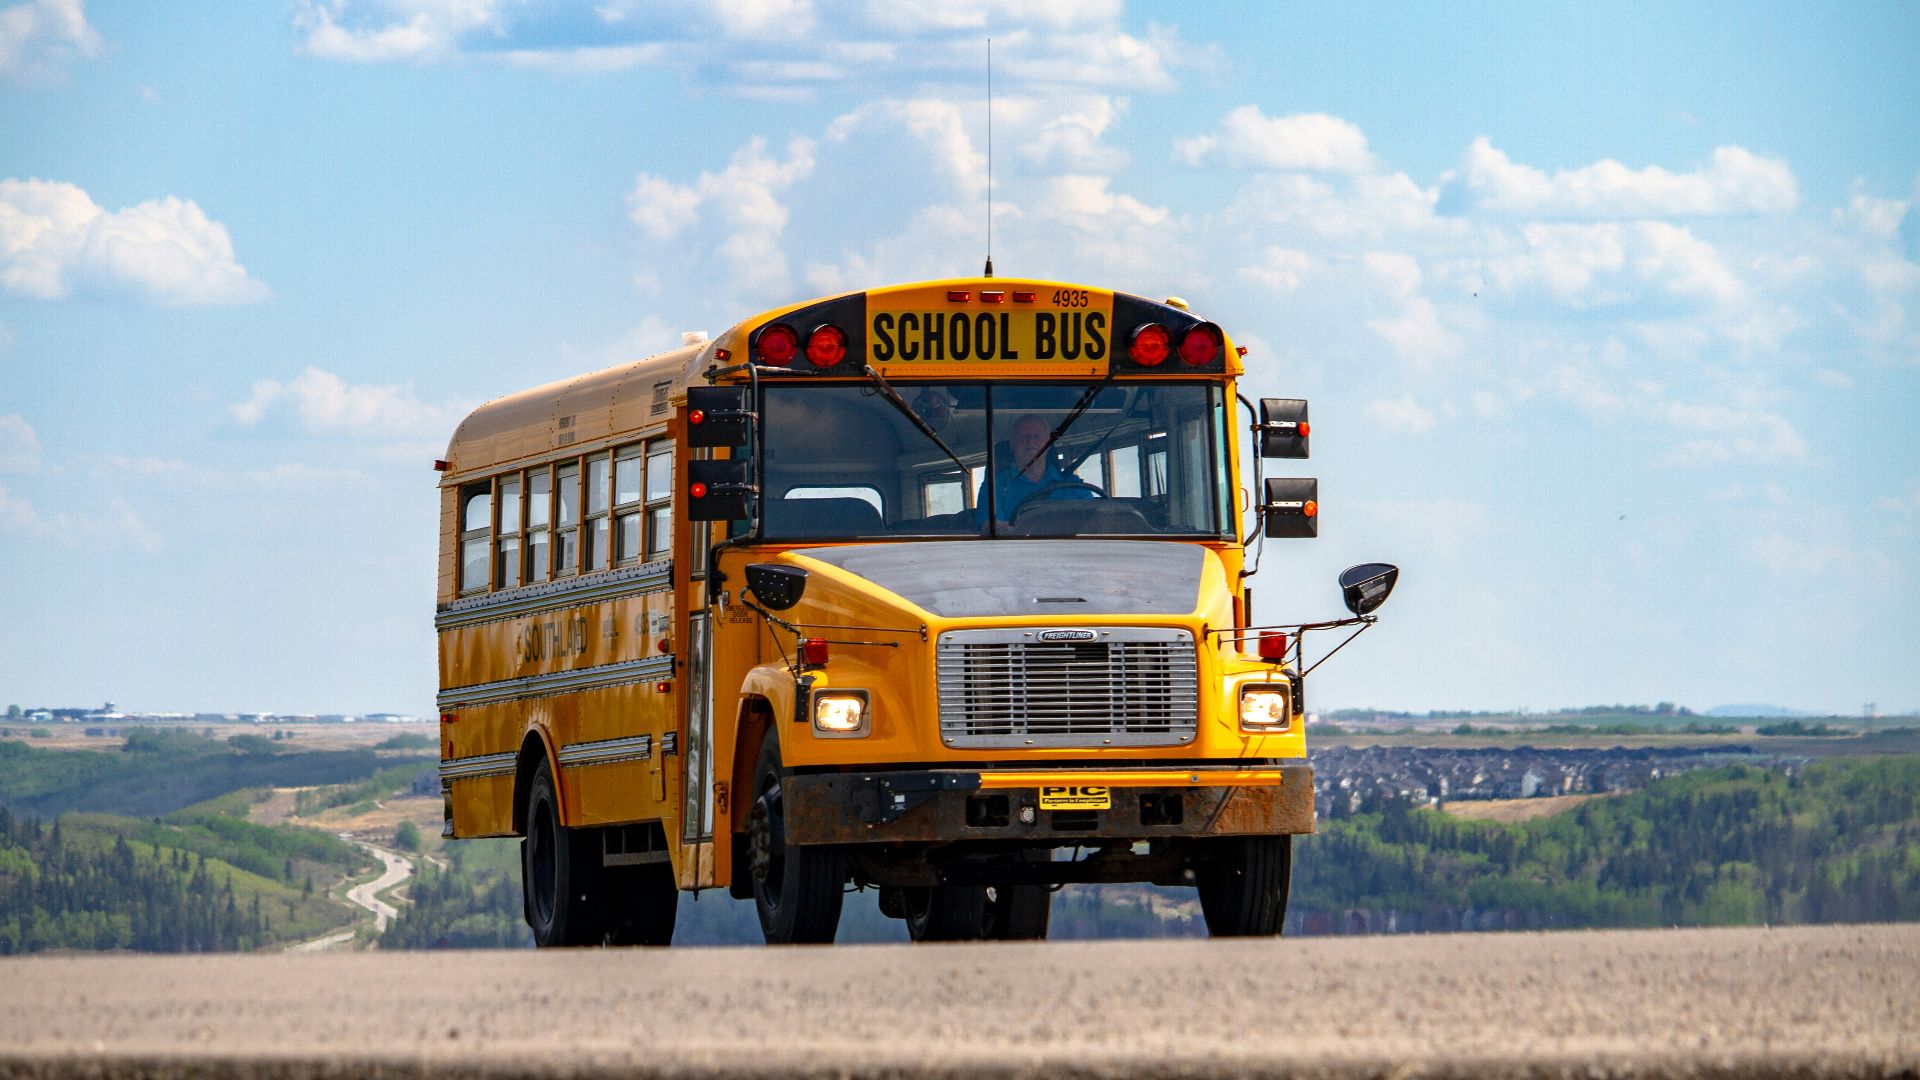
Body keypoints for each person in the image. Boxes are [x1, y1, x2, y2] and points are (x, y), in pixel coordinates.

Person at [976, 414, 1096, 525]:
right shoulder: (993, 488)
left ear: (1048, 443)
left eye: (1037, 436)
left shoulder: (1075, 487)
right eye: (1023, 437)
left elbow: (1094, 524)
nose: (1030, 442)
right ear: (1012, 443)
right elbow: (993, 532)